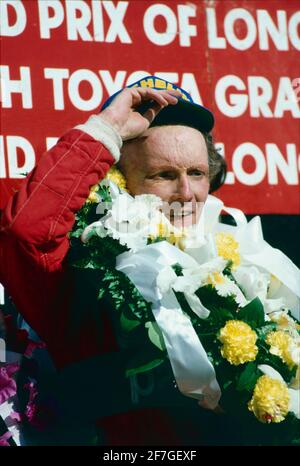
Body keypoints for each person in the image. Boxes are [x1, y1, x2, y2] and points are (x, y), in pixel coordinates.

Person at [0, 76, 227, 445]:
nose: (187, 193)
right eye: (163, 175)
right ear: (118, 181)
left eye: (197, 173)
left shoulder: (241, 264)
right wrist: (107, 130)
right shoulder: (81, 271)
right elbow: (26, 233)